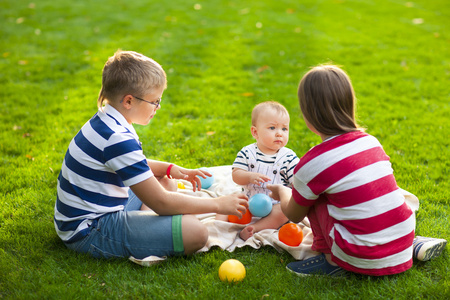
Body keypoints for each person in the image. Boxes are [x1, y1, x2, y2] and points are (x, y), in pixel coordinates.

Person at [54, 50, 249, 260]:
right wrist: (219, 204)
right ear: (128, 101)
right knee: (196, 232)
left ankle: (145, 229)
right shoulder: (117, 138)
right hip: (90, 230)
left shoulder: (108, 119)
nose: (158, 107)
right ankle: (145, 232)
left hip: (94, 212)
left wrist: (170, 168)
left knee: (166, 180)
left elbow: (133, 164)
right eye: (154, 101)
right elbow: (161, 203)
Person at [268, 64, 447, 277]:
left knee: (314, 196)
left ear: (307, 114)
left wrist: (282, 191)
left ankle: (330, 261)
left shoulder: (313, 163)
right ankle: (412, 245)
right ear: (349, 104)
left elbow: (295, 214)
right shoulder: (371, 142)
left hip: (361, 255)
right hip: (402, 239)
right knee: (374, 192)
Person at [217, 101, 299, 241]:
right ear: (255, 132)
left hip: (274, 205)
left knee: (284, 212)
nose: (279, 133)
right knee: (230, 200)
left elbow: (298, 182)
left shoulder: (289, 157)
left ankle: (254, 228)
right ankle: (219, 228)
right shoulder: (248, 153)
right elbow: (236, 175)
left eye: (284, 129)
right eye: (272, 128)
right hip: (249, 201)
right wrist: (248, 176)